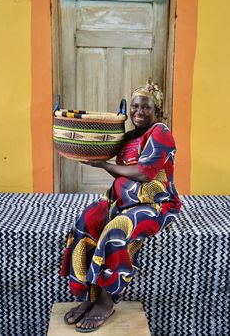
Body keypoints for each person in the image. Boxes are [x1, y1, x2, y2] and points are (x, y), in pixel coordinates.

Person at [60, 79, 182, 333]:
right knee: (87, 219)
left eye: (146, 107)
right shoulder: (127, 137)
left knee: (116, 230)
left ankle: (106, 301)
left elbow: (144, 173)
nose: (138, 112)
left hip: (155, 204)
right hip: (121, 201)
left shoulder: (160, 133)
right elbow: (121, 173)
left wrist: (104, 165)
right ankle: (88, 297)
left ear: (156, 110)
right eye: (135, 107)